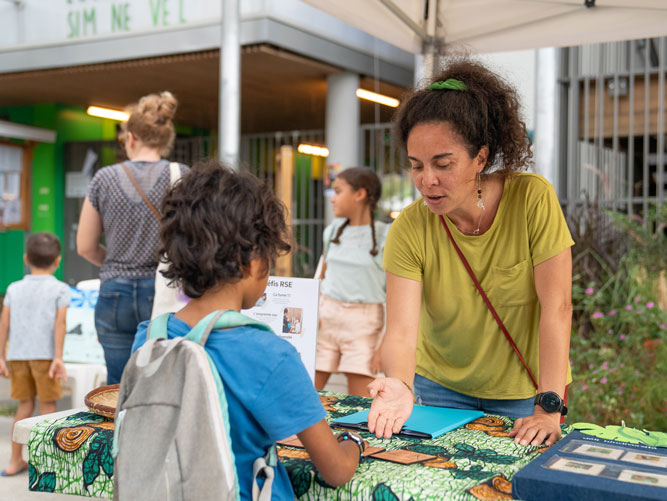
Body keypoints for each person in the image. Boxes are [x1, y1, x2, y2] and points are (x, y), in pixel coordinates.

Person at [366, 59, 574, 448]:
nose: (427, 180)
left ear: (480, 158)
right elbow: (401, 330)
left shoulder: (531, 198)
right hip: (439, 387)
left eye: (443, 164)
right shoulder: (409, 228)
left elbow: (558, 308)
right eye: (416, 166)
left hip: (523, 392)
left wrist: (548, 407)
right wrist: (398, 383)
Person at [131, 161, 364, 499]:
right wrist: (354, 443)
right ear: (254, 260)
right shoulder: (270, 353)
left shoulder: (149, 336)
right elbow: (337, 470)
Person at [76, 91, 189, 385]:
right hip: (165, 291)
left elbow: (85, 246)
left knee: (117, 385)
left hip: (115, 292)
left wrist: (116, 261)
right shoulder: (182, 177)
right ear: (165, 140)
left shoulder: (104, 178)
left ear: (131, 138)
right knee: (163, 381)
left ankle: (118, 431)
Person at [315, 167, 390, 396]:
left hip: (365, 324)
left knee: (360, 404)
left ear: (360, 194)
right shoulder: (332, 231)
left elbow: (395, 294)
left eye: (338, 191)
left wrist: (382, 346)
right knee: (302, 396)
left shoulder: (387, 235)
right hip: (325, 319)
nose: (332, 199)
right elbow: (321, 276)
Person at [0, 233, 69, 477]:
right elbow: (59, 324)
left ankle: (14, 460)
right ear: (57, 261)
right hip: (46, 357)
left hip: (18, 356)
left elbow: (4, 323)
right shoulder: (60, 289)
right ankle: (48, 465)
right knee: (48, 409)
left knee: (24, 407)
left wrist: (1, 356)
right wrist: (58, 356)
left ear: (26, 259)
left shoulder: (13, 288)